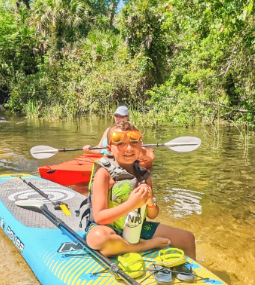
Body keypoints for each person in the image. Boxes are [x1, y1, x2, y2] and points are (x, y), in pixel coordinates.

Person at [84, 120, 196, 258]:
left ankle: (191, 273)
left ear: (141, 145)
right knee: (97, 237)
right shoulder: (104, 173)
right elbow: (100, 218)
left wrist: (150, 202)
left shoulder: (143, 175)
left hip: (136, 228)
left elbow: (153, 214)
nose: (129, 148)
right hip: (108, 230)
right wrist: (132, 204)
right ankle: (144, 245)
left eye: (134, 143)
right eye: (120, 144)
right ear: (109, 148)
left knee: (187, 238)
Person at [83, 105, 155, 167]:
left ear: (127, 117)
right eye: (116, 116)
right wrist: (90, 149)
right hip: (105, 158)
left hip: (122, 160)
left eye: (122, 116)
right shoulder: (108, 130)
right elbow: (99, 148)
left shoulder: (132, 131)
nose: (118, 118)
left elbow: (139, 149)